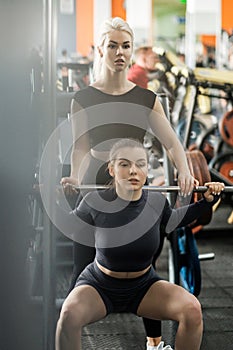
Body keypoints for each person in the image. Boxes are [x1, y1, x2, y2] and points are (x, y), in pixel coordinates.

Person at [60, 17, 198, 349]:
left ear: (132, 51)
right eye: (112, 45)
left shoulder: (146, 99)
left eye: (126, 46)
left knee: (144, 260)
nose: (120, 52)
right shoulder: (83, 98)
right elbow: (80, 146)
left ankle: (153, 341)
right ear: (100, 49)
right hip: (95, 176)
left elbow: (172, 142)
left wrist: (185, 171)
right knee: (86, 259)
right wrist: (76, 179)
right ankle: (78, 326)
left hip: (134, 179)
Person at [56, 138, 225, 350]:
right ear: (111, 169)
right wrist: (55, 200)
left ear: (147, 170)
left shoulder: (156, 202)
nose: (133, 171)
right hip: (100, 285)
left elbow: (175, 219)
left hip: (143, 286)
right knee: (68, 316)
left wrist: (206, 201)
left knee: (192, 309)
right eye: (124, 164)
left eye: (140, 164)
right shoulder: (93, 201)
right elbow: (69, 225)